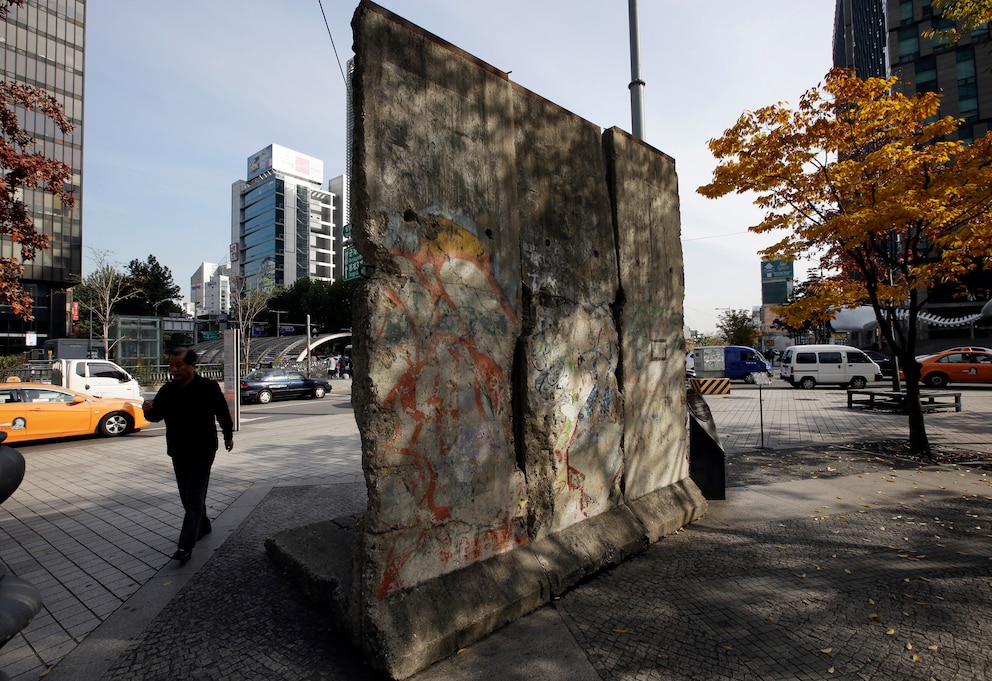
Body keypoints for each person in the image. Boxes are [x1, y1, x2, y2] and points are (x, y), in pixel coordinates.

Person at [143, 347, 234, 564]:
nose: (173, 369)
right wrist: (147, 410)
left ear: (192, 366)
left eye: (178, 365)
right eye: (171, 365)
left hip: (203, 449)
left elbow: (222, 412)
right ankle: (203, 524)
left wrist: (228, 435)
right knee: (187, 494)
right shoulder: (167, 391)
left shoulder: (208, 387)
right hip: (178, 450)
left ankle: (185, 545)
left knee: (194, 494)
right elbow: (156, 416)